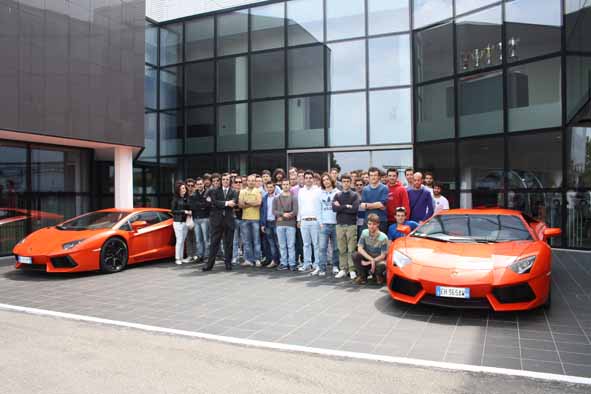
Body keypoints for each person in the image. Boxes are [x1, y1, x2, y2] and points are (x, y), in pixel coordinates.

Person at [203, 173, 238, 272]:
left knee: (229, 244)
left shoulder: (234, 191)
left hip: (229, 221)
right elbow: (215, 202)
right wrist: (227, 203)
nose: (225, 181)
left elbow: (234, 202)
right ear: (221, 180)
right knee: (214, 243)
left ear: (229, 181)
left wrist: (223, 203)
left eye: (227, 179)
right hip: (217, 221)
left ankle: (228, 264)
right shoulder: (215, 191)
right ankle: (209, 265)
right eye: (224, 179)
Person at [332, 173, 360, 280]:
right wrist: (346, 206)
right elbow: (334, 209)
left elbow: (354, 209)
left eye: (348, 181)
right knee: (341, 249)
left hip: (351, 225)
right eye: (344, 181)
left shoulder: (354, 195)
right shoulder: (337, 195)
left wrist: (341, 207)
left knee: (351, 249)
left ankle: (352, 270)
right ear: (341, 183)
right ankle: (343, 269)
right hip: (340, 225)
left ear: (350, 182)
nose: (346, 183)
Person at [352, 214, 389, 285]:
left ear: (378, 224)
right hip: (368, 257)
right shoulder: (364, 232)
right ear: (367, 224)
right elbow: (360, 248)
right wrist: (370, 259)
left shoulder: (383, 237)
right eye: (369, 224)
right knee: (355, 255)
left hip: (378, 260)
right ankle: (363, 276)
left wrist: (372, 261)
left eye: (374, 224)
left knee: (382, 265)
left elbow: (383, 255)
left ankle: (378, 276)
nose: (371, 226)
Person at [297, 170, 322, 272]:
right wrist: (298, 219)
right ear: (304, 179)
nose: (308, 180)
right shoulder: (301, 191)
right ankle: (307, 263)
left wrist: (320, 221)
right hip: (304, 221)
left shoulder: (318, 190)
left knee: (316, 244)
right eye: (306, 178)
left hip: (315, 220)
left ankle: (317, 264)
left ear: (313, 179)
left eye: (310, 178)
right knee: (306, 244)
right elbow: (299, 206)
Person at [316, 173, 339, 276]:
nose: (326, 181)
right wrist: (320, 223)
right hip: (324, 224)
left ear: (331, 180)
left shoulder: (338, 193)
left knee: (336, 248)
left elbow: (340, 209)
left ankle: (335, 266)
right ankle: (322, 268)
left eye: (327, 179)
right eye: (324, 180)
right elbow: (318, 210)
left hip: (336, 224)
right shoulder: (320, 194)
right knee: (322, 248)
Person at [273, 179, 298, 270]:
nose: (286, 186)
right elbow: (274, 211)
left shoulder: (294, 197)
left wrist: (283, 216)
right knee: (282, 245)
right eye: (284, 184)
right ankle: (284, 263)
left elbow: (295, 211)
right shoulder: (276, 198)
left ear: (290, 185)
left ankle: (292, 264)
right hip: (279, 225)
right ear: (281, 186)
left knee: (291, 245)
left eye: (287, 184)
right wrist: (283, 214)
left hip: (291, 225)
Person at [239, 174, 263, 267]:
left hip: (255, 219)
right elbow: (240, 205)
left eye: (253, 180)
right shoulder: (242, 191)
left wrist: (247, 202)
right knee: (246, 241)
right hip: (245, 219)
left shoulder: (257, 191)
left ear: (255, 182)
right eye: (249, 180)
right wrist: (252, 203)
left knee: (256, 240)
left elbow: (259, 203)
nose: (251, 182)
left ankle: (257, 259)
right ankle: (249, 259)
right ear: (247, 181)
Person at [361, 167, 389, 233]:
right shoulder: (365, 189)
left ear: (379, 176)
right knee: (368, 243)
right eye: (371, 175)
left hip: (381, 221)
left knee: (381, 242)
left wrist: (367, 205)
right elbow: (362, 205)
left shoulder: (384, 188)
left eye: (375, 175)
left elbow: (381, 204)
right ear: (369, 177)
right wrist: (377, 205)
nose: (373, 177)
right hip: (368, 222)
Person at [190, 177, 210, 263]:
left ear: (203, 184)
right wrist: (202, 205)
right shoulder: (193, 195)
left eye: (201, 184)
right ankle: (200, 255)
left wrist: (200, 205)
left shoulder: (208, 193)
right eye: (198, 184)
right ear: (196, 185)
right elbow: (192, 206)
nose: (199, 185)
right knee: (198, 239)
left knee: (206, 239)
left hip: (205, 219)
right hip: (196, 219)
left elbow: (208, 205)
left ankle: (206, 256)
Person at [260, 181, 280, 268]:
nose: (270, 189)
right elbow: (263, 212)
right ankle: (274, 261)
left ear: (274, 188)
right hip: (267, 223)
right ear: (266, 188)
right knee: (271, 243)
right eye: (268, 187)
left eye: (271, 187)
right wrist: (262, 224)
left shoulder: (278, 197)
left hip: (276, 223)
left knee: (278, 243)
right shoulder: (264, 198)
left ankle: (280, 261)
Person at [171, 182, 191, 265]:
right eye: (182, 188)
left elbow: (189, 207)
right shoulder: (175, 199)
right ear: (178, 190)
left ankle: (182, 257)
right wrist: (184, 211)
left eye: (184, 188)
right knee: (179, 240)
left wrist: (189, 211)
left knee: (183, 240)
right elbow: (173, 211)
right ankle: (177, 258)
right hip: (177, 222)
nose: (184, 190)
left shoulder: (186, 198)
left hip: (185, 222)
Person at [231, 177, 244, 265]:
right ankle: (235, 257)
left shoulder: (245, 192)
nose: (238, 183)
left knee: (244, 240)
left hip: (244, 218)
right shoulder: (231, 193)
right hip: (234, 219)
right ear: (233, 183)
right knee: (235, 240)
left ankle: (246, 257)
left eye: (240, 182)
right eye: (236, 182)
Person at [184, 178, 197, 262]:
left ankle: (195, 254)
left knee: (196, 237)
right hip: (186, 219)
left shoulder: (196, 195)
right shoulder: (184, 196)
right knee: (188, 238)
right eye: (188, 185)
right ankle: (189, 255)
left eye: (192, 185)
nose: (190, 187)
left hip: (196, 218)